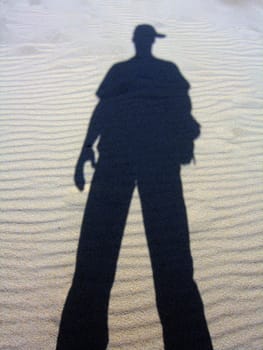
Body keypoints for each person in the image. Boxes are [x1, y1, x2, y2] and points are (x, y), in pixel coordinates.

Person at [57, 24, 213, 350]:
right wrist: (86, 149)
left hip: (120, 155)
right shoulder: (167, 70)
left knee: (97, 256)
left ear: (136, 41)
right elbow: (183, 111)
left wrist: (86, 148)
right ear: (150, 42)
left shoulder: (121, 71)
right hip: (154, 160)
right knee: (170, 258)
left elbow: (103, 109)